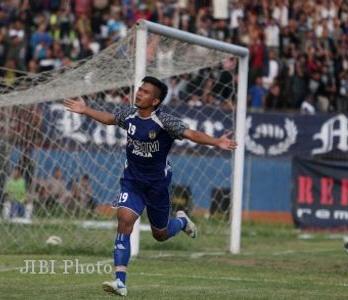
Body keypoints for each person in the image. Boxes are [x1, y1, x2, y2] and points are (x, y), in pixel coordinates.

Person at [63, 76, 237, 297]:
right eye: (139, 90)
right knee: (124, 220)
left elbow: (191, 134)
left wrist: (216, 142)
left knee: (160, 235)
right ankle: (120, 281)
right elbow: (109, 119)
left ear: (155, 101)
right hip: (132, 181)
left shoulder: (165, 121)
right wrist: (85, 109)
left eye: (145, 92)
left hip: (157, 186)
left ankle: (182, 221)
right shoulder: (129, 115)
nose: (139, 93)